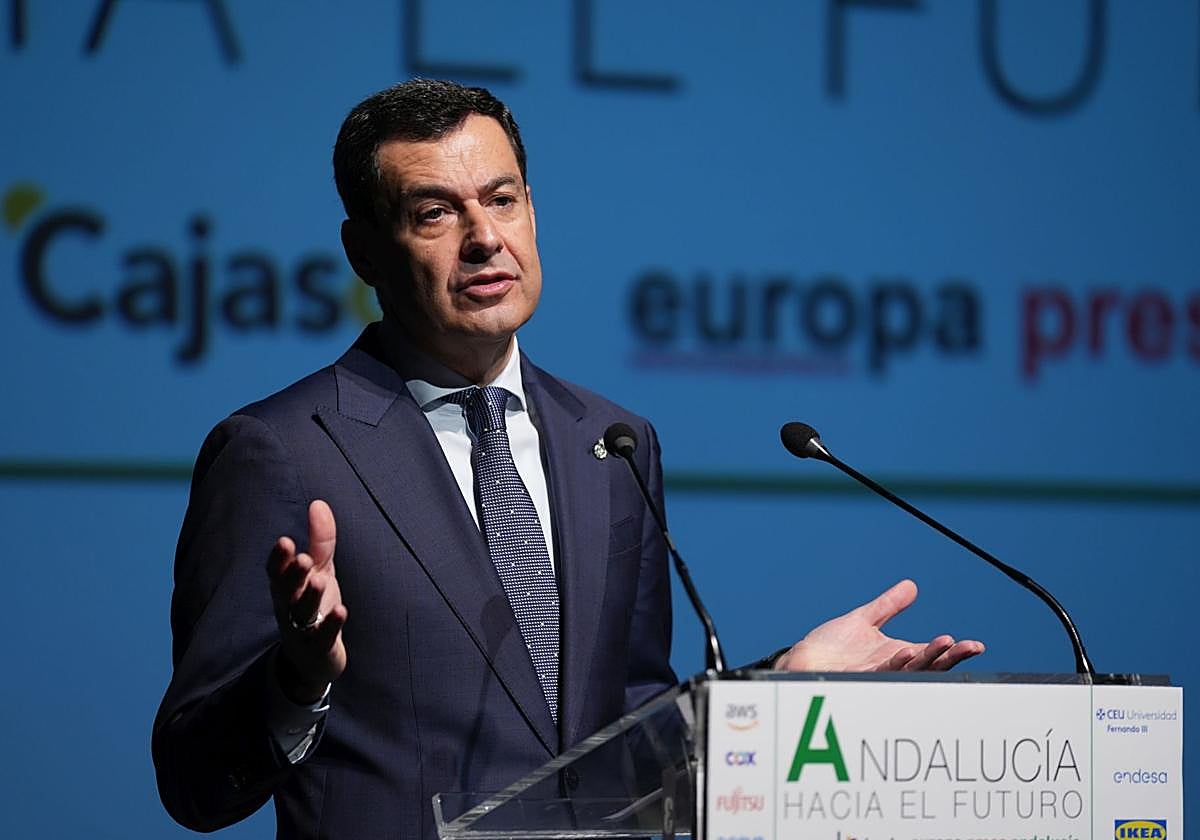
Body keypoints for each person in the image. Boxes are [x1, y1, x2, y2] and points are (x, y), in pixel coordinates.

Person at [152, 78, 983, 839]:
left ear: (532, 212)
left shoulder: (614, 442)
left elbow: (632, 725)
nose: (484, 239)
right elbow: (194, 782)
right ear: (365, 253)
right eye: (435, 212)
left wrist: (781, 687)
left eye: (502, 199)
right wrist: (300, 677)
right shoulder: (283, 450)